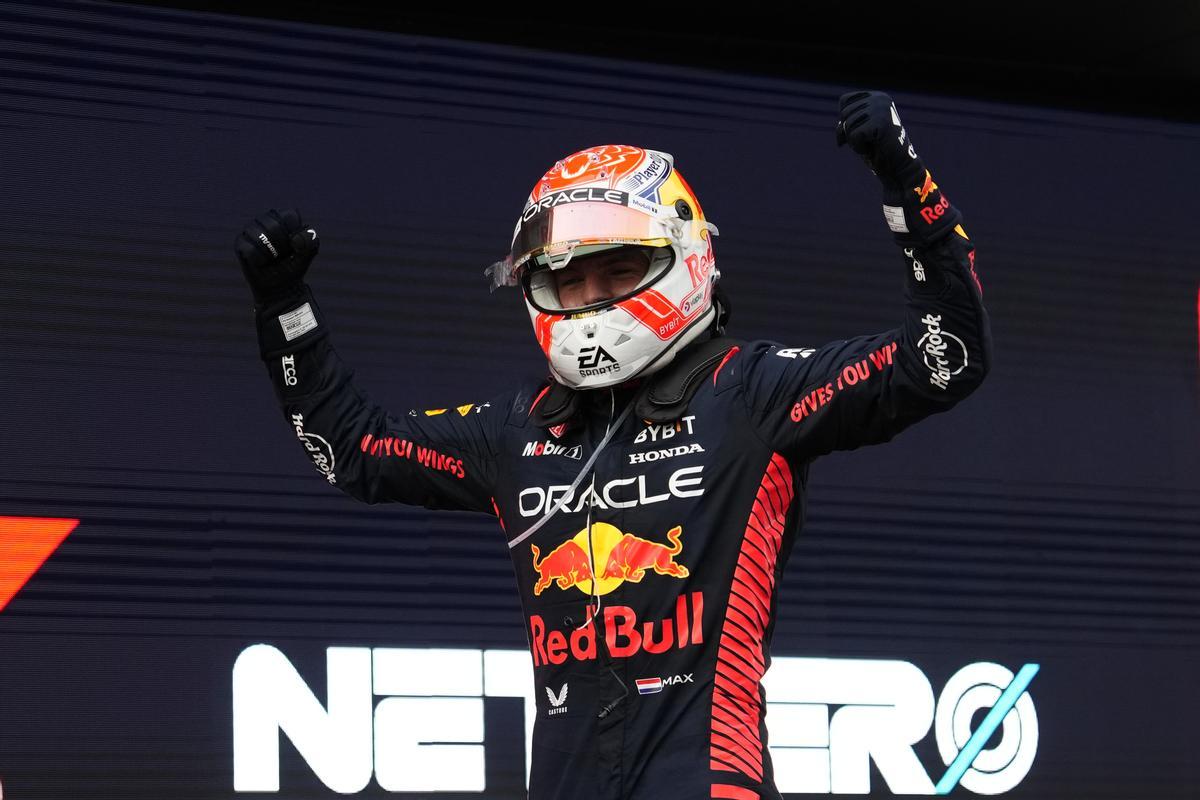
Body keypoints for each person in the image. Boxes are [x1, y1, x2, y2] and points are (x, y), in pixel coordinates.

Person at [236, 91, 992, 800]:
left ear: (686, 259)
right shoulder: (516, 430)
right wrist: (286, 310)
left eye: (618, 270)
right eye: (568, 279)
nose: (592, 298)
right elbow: (353, 450)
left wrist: (907, 186)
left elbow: (944, 357)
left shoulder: (755, 393)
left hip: (707, 779)